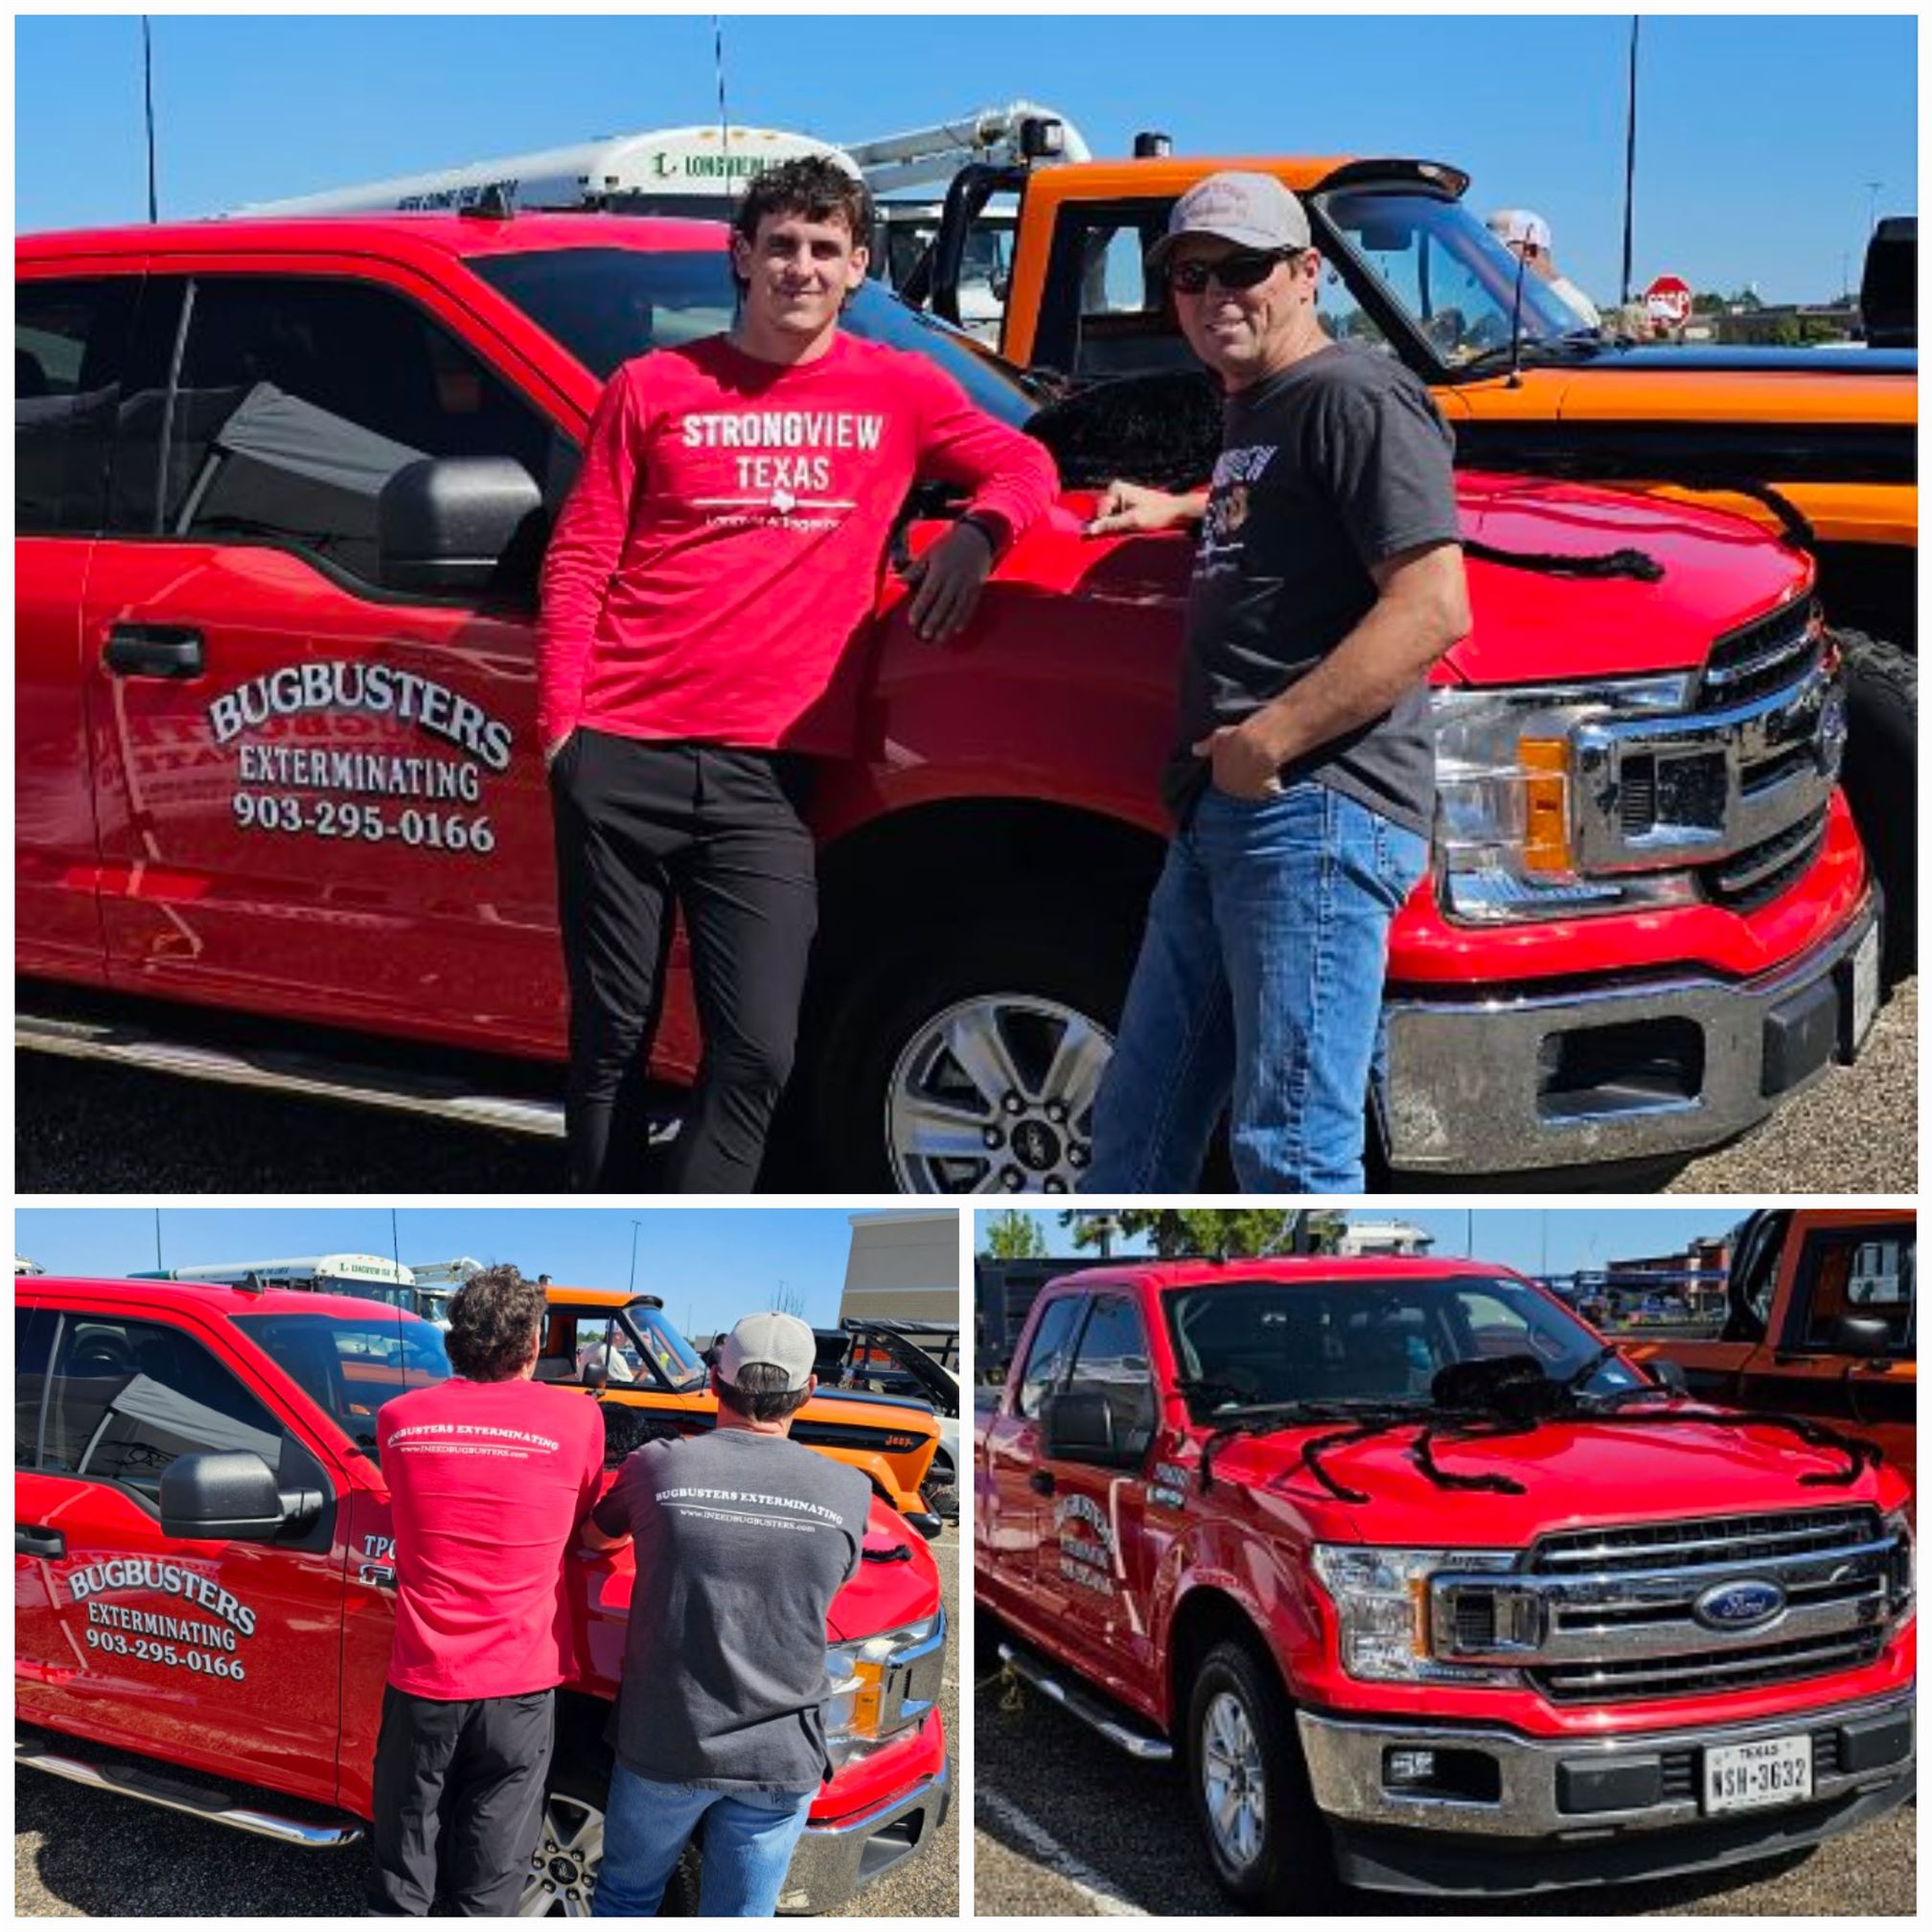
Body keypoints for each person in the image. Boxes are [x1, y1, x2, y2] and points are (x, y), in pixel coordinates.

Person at [539, 155, 1060, 1193]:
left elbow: (1027, 464)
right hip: (620, 752)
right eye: (780, 244)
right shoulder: (653, 389)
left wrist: (975, 538)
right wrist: (563, 731)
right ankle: (598, 1217)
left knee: (758, 1051)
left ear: (859, 266)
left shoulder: (901, 389)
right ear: (742, 256)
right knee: (610, 1044)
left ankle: (686, 1237)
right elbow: (581, 554)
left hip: (766, 778)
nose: (801, 267)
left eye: (825, 248)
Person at [1078, 172, 1470, 1193]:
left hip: (1311, 810)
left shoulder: (1356, 393)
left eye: (1245, 268)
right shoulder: (1269, 408)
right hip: (1230, 816)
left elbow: (1432, 607)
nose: (1217, 295)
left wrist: (1268, 742)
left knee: (1293, 1150)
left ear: (1306, 275)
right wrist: (1181, 508)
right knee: (1136, 1134)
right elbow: (1290, 511)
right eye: (1192, 275)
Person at [579, 1311, 871, 1917]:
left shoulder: (656, 1465)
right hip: (780, 1752)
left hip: (667, 1741)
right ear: (810, 1389)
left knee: (626, 1898)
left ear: (715, 1380)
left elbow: (597, 1538)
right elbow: (830, 1582)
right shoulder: (850, 1489)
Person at [368, 1266, 606, 1916]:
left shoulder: (397, 1418)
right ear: (532, 1345)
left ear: (453, 1343)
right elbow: (585, 1515)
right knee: (493, 1880)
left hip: (422, 1683)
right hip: (519, 1688)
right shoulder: (578, 1418)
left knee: (403, 1868)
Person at [1485, 207, 1602, 329]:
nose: (1492, 260)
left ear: (1529, 252)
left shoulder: (1573, 307)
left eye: (1498, 251)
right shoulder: (1516, 301)